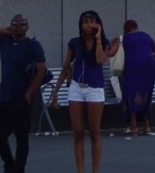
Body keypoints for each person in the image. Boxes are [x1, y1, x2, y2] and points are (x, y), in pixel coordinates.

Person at [50, 10, 120, 173]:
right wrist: (56, 91)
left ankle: (95, 170)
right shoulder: (74, 43)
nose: (88, 25)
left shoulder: (104, 42)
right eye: (85, 21)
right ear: (80, 25)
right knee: (78, 132)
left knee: (95, 132)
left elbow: (99, 59)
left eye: (91, 21)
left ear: (98, 24)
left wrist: (98, 38)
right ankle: (80, 170)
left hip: (94, 89)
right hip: (76, 88)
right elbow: (66, 68)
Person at [0, 14, 47, 173]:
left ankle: (19, 169)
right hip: (3, 96)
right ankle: (9, 164)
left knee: (21, 137)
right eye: (15, 24)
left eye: (22, 24)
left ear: (27, 27)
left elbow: (41, 70)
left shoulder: (33, 45)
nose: (18, 26)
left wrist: (30, 92)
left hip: (22, 97)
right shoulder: (4, 41)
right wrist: (3, 30)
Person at [119, 19, 155, 136]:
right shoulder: (147, 36)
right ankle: (147, 126)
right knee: (146, 94)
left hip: (132, 66)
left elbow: (115, 54)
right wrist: (149, 62)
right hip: (149, 67)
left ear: (126, 29)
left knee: (131, 94)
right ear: (136, 27)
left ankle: (133, 126)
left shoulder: (125, 38)